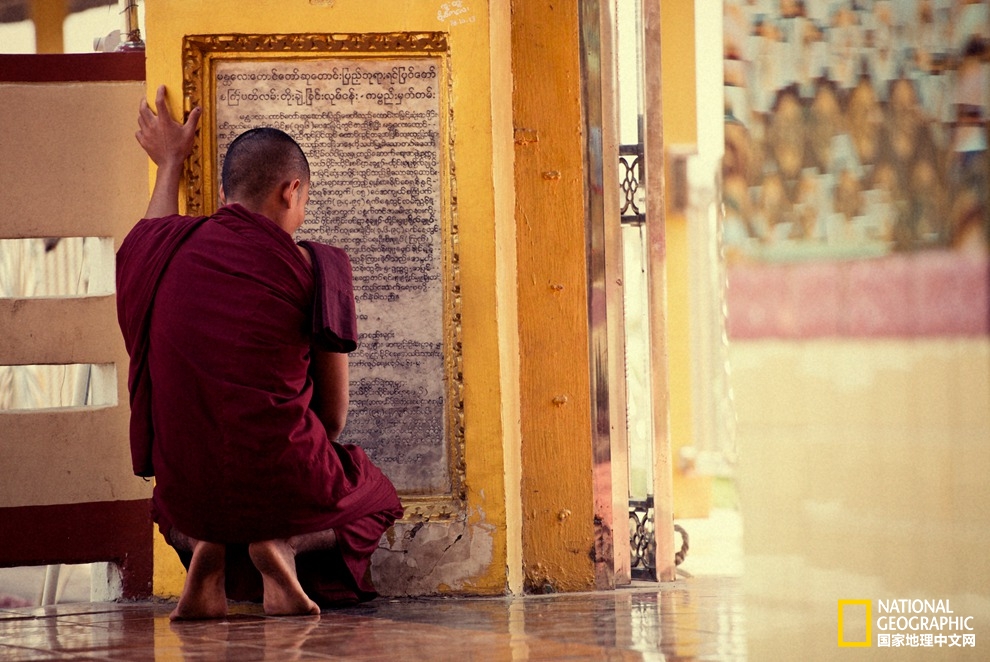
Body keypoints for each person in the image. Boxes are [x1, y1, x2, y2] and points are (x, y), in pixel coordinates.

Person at [116, 85, 403, 620]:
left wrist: (170, 162)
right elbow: (334, 420)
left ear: (226, 193)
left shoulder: (163, 248)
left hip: (189, 494)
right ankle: (283, 546)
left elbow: (149, 233)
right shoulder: (317, 267)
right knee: (377, 494)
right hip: (284, 482)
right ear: (292, 191)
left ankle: (211, 548)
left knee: (170, 502)